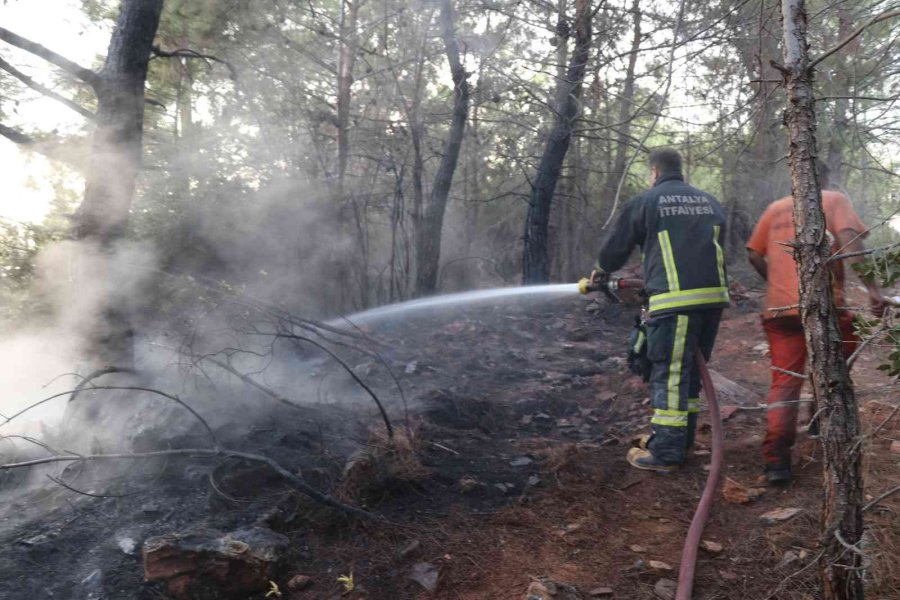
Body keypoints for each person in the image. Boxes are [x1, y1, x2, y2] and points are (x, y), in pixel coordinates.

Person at [746, 161, 886, 484]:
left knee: (785, 380)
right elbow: (851, 243)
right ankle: (822, 422)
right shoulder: (833, 200)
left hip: (780, 312)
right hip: (825, 307)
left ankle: (777, 461)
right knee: (837, 364)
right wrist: (874, 291)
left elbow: (753, 253)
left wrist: (775, 285)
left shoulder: (776, 208)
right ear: (823, 179)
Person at [592, 148, 730, 472]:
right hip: (712, 300)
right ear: (679, 169)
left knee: (669, 372)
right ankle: (681, 439)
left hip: (675, 301)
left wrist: (601, 270)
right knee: (691, 373)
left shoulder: (647, 202)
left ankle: (667, 451)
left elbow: (616, 247)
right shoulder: (709, 201)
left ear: (654, 171)